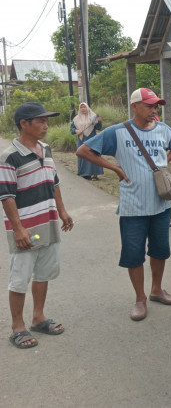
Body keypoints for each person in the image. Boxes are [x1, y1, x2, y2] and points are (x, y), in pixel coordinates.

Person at [76, 88, 171, 321]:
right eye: (149, 106)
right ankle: (140, 298)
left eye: (156, 106)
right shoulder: (118, 132)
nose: (154, 110)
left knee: (160, 250)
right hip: (133, 206)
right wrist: (114, 167)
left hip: (161, 205)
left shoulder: (164, 130)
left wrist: (161, 166)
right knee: (134, 254)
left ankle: (156, 290)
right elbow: (83, 150)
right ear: (134, 106)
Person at [1, 102, 73, 349]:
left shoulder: (46, 149)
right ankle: (17, 327)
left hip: (48, 226)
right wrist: (18, 229)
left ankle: (38, 317)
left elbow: (54, 182)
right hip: (26, 231)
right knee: (20, 277)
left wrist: (62, 211)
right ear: (24, 123)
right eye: (40, 121)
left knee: (43, 273)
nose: (46, 125)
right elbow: (6, 196)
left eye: (46, 120)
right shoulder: (9, 156)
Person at [70, 102, 104, 180]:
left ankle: (95, 174)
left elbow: (99, 128)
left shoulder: (93, 116)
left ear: (87, 108)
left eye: (84, 107)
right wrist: (76, 131)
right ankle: (85, 173)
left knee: (93, 154)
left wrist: (99, 121)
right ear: (79, 109)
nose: (83, 109)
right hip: (81, 139)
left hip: (92, 138)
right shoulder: (76, 118)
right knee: (83, 154)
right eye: (81, 107)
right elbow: (71, 129)